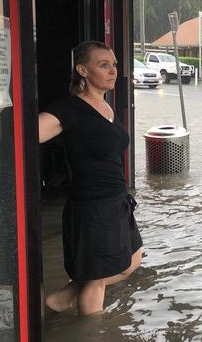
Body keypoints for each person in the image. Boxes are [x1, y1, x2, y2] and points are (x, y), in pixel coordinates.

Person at [39, 41, 143, 316]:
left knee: (132, 260)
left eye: (114, 65)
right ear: (82, 70)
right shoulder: (69, 109)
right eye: (104, 65)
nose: (113, 71)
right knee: (96, 280)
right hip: (92, 207)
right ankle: (89, 332)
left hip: (116, 202)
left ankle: (59, 300)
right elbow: (24, 136)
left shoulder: (105, 106)